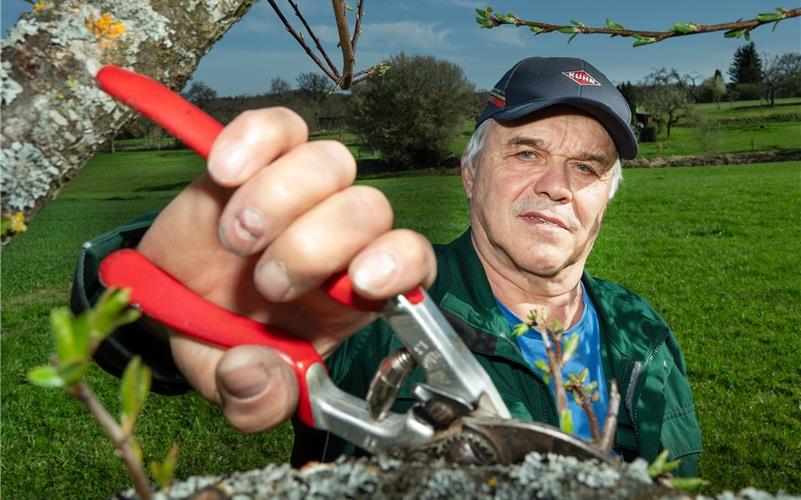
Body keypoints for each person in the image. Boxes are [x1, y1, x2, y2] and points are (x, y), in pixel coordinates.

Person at [72, 57, 702, 475]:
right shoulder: (367, 316)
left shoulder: (640, 329)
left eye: (587, 167)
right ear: (470, 172)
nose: (559, 186)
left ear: (607, 194)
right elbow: (122, 331)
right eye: (527, 152)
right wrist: (179, 292)